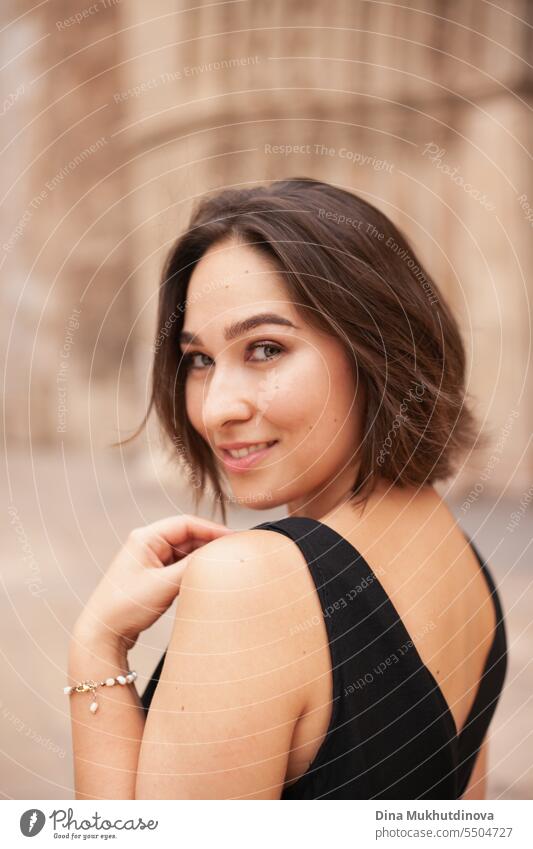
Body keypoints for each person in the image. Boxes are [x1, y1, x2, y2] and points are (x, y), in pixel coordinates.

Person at [67, 178, 507, 800]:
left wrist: (98, 650)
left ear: (374, 347)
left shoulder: (251, 585)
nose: (218, 406)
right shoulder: (458, 561)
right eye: (199, 359)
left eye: (266, 348)